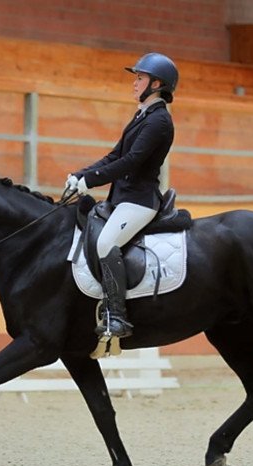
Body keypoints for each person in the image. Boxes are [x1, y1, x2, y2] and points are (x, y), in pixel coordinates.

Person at [65, 52, 178, 338]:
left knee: (106, 243)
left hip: (140, 201)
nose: (134, 83)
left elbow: (131, 162)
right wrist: (81, 174)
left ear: (156, 84)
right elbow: (115, 155)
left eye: (140, 78)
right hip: (122, 197)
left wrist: (91, 180)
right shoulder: (143, 115)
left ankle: (117, 316)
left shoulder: (159, 121)